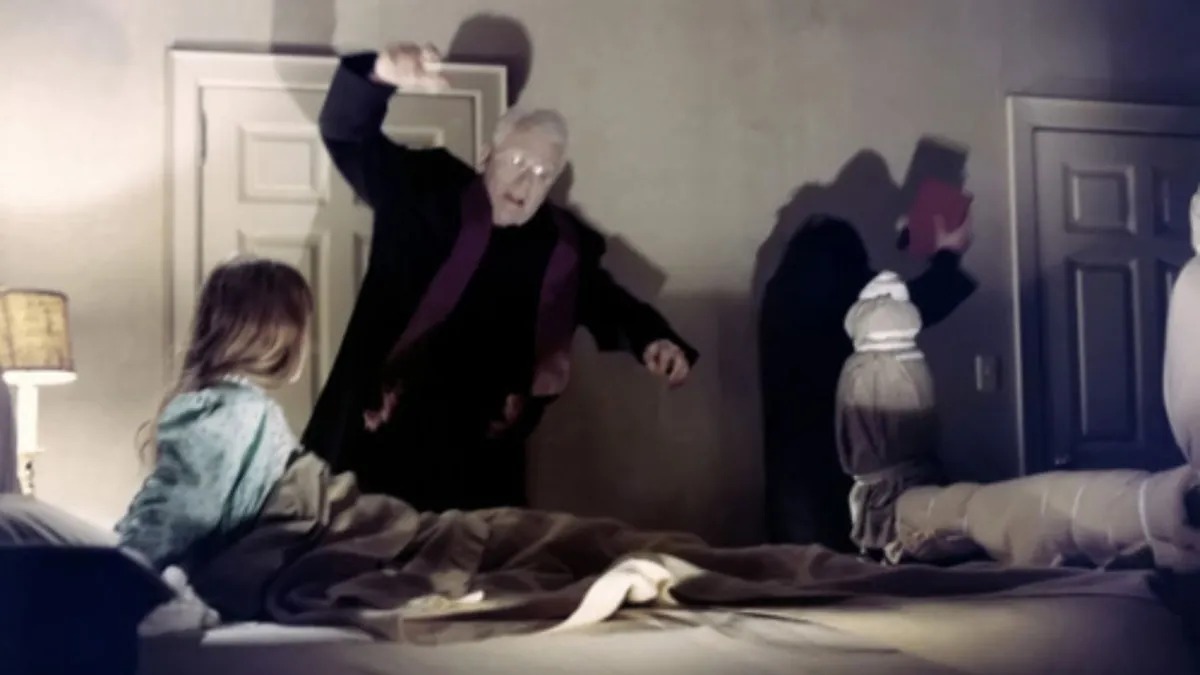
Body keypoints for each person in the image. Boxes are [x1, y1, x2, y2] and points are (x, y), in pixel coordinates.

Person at [302, 43, 698, 512]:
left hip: (473, 469)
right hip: (372, 437)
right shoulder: (423, 186)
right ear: (487, 154)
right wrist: (381, 72)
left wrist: (654, 339)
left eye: (543, 174)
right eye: (517, 163)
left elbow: (607, 302)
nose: (526, 184)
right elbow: (345, 133)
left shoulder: (560, 248)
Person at [759, 213, 975, 552]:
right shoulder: (848, 298)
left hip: (791, 456)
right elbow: (910, 305)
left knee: (802, 562)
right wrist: (948, 254)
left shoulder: (782, 295)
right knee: (856, 554)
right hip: (849, 455)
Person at [114, 257, 313, 570]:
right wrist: (119, 565)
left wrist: (119, 563)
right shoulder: (236, 412)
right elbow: (180, 511)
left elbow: (180, 512)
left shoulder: (236, 411)